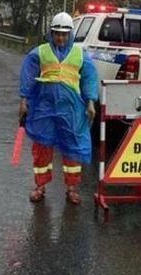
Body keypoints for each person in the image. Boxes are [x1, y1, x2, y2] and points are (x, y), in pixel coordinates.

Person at [18, 12, 99, 205]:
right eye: (56, 33)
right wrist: (23, 100)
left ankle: (72, 188)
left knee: (73, 148)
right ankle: (40, 186)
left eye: (64, 34)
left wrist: (90, 102)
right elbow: (28, 76)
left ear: (70, 33)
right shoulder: (39, 52)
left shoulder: (80, 54)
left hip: (71, 109)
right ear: (51, 33)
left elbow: (89, 78)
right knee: (42, 148)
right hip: (44, 108)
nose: (60, 37)